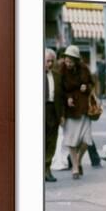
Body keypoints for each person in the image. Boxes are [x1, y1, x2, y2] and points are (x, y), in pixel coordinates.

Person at [61, 45, 96, 180]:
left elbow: (92, 84)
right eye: (66, 60)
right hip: (70, 110)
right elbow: (60, 90)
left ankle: (79, 160)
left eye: (70, 61)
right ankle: (75, 167)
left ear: (76, 60)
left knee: (86, 140)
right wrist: (67, 98)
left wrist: (86, 86)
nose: (67, 63)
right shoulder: (62, 70)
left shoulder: (84, 69)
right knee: (71, 141)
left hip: (84, 109)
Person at [44, 48, 64, 182]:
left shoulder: (57, 76)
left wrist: (62, 115)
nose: (49, 64)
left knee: (52, 141)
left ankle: (47, 169)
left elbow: (61, 96)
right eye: (47, 61)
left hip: (53, 111)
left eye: (51, 61)